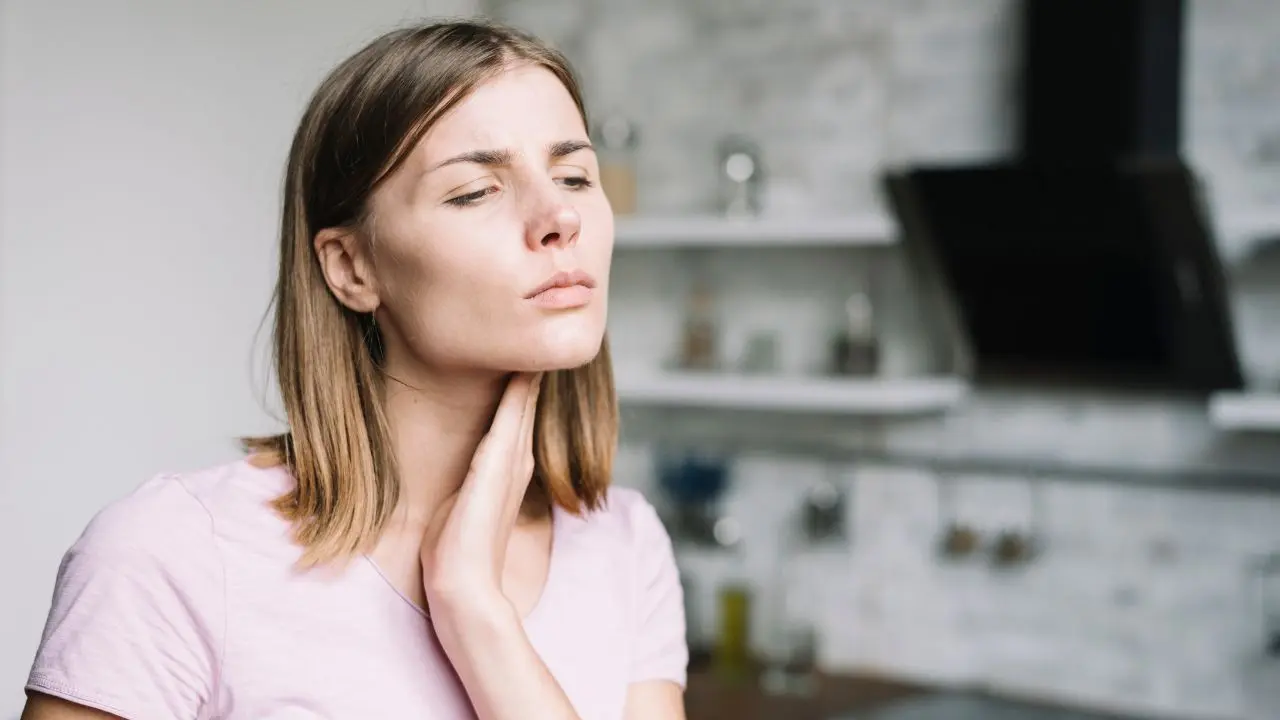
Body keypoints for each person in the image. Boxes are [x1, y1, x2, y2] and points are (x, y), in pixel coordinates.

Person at [21, 19, 687, 720]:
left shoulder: (625, 543)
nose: (559, 215)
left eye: (575, 175)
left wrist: (475, 613)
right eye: (474, 192)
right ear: (352, 267)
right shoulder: (170, 554)